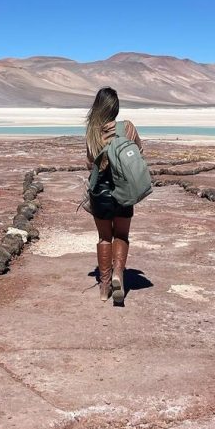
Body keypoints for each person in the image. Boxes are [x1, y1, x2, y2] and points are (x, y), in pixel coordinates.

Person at [85, 87, 144, 304]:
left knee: (104, 237)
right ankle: (119, 274)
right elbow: (139, 152)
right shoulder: (127, 127)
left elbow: (90, 163)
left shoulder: (92, 131)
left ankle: (104, 286)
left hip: (100, 192)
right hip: (124, 191)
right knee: (121, 235)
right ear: (115, 107)